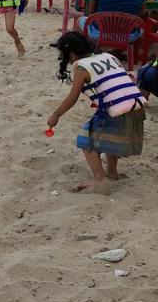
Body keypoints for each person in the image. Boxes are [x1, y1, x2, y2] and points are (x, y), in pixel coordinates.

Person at [48, 31, 147, 191]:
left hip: (117, 110)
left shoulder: (82, 68)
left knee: (86, 139)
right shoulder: (109, 57)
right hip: (136, 105)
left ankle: (99, 179)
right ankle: (112, 171)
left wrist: (56, 115)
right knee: (109, 138)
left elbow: (72, 98)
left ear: (71, 54)